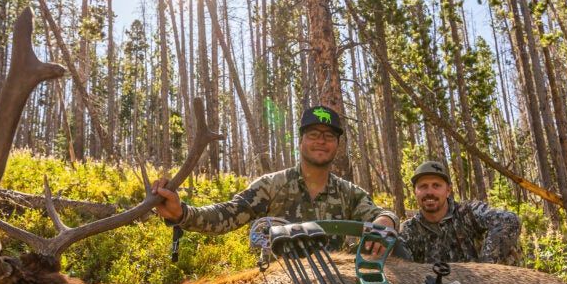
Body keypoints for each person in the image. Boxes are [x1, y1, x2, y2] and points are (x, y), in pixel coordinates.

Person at [152, 105, 397, 250]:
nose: (321, 140)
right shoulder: (271, 186)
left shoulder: (350, 194)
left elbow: (379, 215)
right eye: (313, 134)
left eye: (329, 136)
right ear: (300, 141)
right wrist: (182, 213)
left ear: (337, 145)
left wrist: (386, 221)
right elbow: (226, 214)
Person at [399, 160, 521, 265]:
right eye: (423, 186)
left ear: (448, 190)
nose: (430, 192)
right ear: (415, 192)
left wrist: (485, 268)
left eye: (436, 186)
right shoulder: (408, 230)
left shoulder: (468, 213)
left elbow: (509, 220)